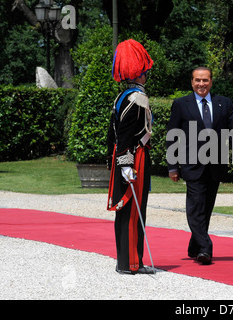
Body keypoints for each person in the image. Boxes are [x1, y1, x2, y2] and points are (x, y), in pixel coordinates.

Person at [166, 67, 233, 265]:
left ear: (211, 81)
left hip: (215, 164)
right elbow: (173, 135)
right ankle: (206, 249)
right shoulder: (181, 104)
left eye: (205, 80)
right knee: (195, 206)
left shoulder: (223, 103)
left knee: (206, 207)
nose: (202, 84)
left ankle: (195, 245)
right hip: (191, 164)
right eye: (198, 80)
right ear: (192, 82)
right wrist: (172, 166)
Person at [107, 39, 154, 274]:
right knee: (133, 209)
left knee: (129, 210)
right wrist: (126, 166)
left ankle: (128, 261)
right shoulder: (138, 98)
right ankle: (131, 263)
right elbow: (125, 136)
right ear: (141, 72)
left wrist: (114, 161)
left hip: (126, 156)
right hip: (135, 158)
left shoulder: (122, 96)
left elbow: (111, 135)